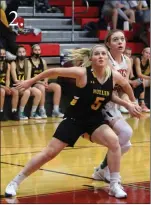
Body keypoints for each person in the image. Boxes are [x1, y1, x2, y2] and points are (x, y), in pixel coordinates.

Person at [5, 45, 141, 199]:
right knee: (49, 153)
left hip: (94, 121)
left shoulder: (113, 76)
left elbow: (126, 85)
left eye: (104, 53)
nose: (101, 56)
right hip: (74, 120)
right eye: (97, 54)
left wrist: (132, 103)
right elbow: (53, 71)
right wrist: (31, 81)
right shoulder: (82, 73)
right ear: (91, 59)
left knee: (115, 142)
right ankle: (15, 182)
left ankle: (114, 185)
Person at [92, 30, 137, 183]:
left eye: (122, 39)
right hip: (100, 104)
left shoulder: (128, 61)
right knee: (126, 132)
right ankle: (104, 171)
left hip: (114, 104)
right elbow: (106, 92)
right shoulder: (107, 61)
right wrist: (128, 103)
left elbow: (123, 88)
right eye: (116, 39)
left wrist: (132, 103)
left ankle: (102, 170)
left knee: (126, 144)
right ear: (108, 44)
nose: (120, 42)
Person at [28, 44, 63, 118]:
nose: (37, 52)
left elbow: (47, 74)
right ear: (32, 51)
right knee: (41, 87)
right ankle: (42, 109)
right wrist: (41, 82)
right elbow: (29, 78)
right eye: (35, 50)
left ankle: (55, 110)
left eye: (39, 50)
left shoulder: (43, 61)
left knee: (57, 87)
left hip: (42, 83)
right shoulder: (29, 62)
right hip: (34, 83)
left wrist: (46, 82)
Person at [11, 46, 42, 120]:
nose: (22, 54)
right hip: (16, 86)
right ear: (16, 53)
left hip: (26, 85)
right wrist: (25, 84)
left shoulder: (28, 63)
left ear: (25, 53)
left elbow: (28, 78)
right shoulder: (13, 63)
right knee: (27, 92)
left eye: (23, 52)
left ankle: (33, 113)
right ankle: (20, 113)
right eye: (20, 52)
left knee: (38, 92)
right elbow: (15, 79)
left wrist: (26, 84)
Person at [0, 48, 19, 121]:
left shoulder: (7, 65)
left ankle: (14, 112)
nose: (2, 56)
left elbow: (7, 78)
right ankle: (1, 113)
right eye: (0, 54)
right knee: (2, 91)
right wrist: (4, 88)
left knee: (15, 91)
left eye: (3, 54)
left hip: (4, 86)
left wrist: (7, 87)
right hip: (1, 87)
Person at [133, 47, 150, 112]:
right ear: (142, 52)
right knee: (142, 80)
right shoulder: (138, 59)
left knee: (143, 80)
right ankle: (142, 104)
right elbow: (139, 74)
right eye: (146, 52)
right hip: (135, 79)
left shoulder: (149, 61)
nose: (148, 55)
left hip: (144, 78)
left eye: (149, 53)